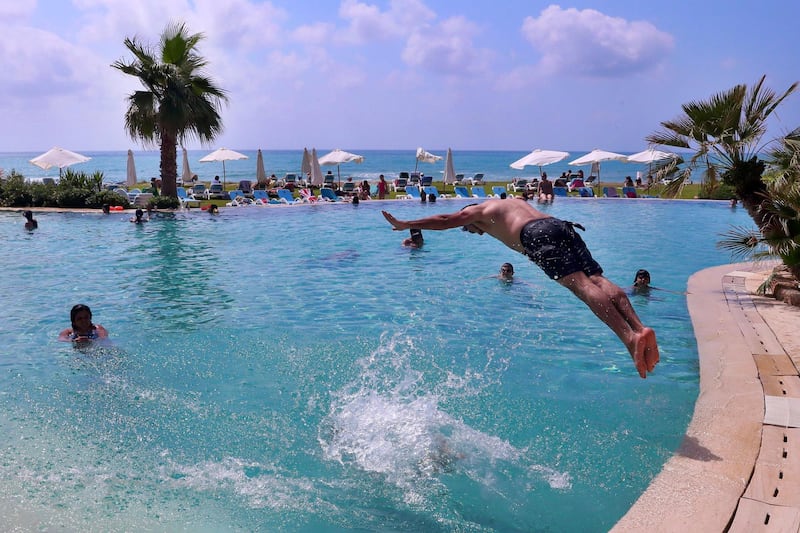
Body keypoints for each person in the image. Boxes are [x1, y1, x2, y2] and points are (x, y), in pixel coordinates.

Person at [382, 200, 659, 378]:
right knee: (598, 279)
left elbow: (444, 220)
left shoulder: (478, 211)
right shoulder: (512, 202)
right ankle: (638, 326)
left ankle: (629, 338)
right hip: (560, 226)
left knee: (582, 287)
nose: (476, 232)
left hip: (536, 235)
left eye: (471, 228)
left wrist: (407, 224)